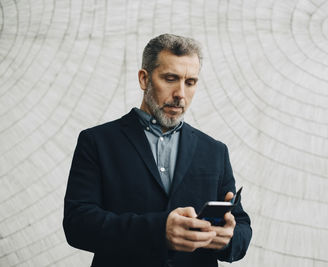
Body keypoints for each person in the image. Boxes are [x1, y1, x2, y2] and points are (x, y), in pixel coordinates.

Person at [63, 33, 252, 267]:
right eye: (170, 78)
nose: (180, 94)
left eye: (190, 82)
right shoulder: (97, 141)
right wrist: (159, 231)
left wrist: (228, 238)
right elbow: (77, 224)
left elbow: (242, 227)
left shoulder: (215, 151)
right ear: (144, 79)